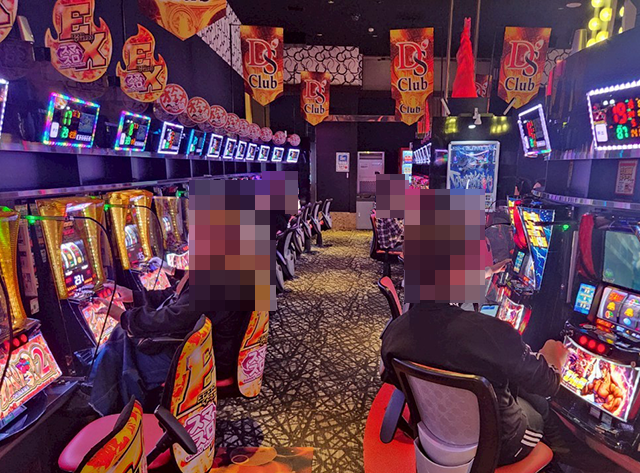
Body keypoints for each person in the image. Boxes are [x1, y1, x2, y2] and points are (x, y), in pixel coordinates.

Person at [381, 301, 569, 466]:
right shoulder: (493, 331)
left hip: (433, 434)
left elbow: (392, 379)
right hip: (501, 444)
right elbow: (548, 385)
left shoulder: (395, 332)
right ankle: (564, 457)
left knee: (517, 388)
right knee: (539, 409)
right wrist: (554, 358)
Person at [89, 272, 249, 415]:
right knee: (123, 339)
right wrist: (135, 296)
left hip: (207, 359)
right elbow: (178, 297)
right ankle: (104, 400)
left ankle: (124, 416)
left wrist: (127, 318)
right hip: (215, 349)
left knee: (124, 360)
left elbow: (175, 318)